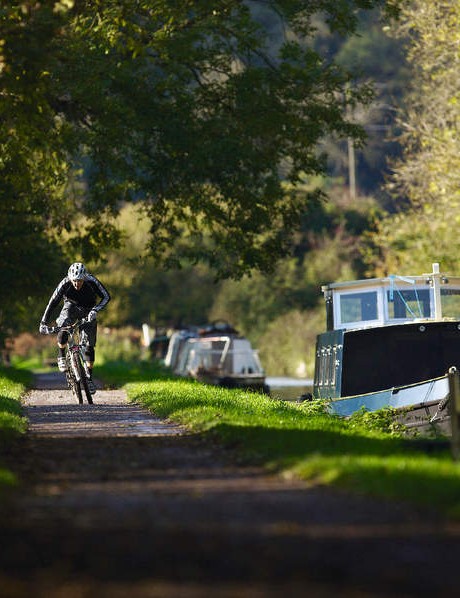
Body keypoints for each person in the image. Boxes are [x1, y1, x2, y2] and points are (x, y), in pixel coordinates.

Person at [39, 262, 110, 394]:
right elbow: (52, 302)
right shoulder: (65, 283)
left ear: (85, 277)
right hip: (70, 307)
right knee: (63, 329)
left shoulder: (91, 281)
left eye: (80, 281)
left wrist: (95, 310)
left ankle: (88, 378)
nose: (77, 284)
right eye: (74, 281)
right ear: (70, 279)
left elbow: (106, 297)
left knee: (89, 346)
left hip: (89, 309)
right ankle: (61, 356)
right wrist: (43, 322)